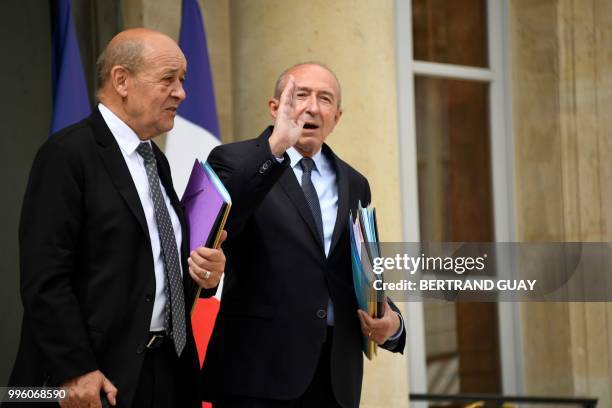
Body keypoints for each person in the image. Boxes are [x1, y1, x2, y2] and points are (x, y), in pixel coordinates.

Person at [7, 28, 226, 408]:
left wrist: (205, 275)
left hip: (168, 372)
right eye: (167, 79)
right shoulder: (67, 155)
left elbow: (152, 266)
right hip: (98, 376)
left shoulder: (154, 157)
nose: (181, 92)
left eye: (183, 80)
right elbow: (45, 278)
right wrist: (75, 368)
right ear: (121, 80)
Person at [200, 62, 406, 408]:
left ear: (336, 117)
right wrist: (275, 148)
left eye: (325, 99)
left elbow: (361, 270)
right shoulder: (233, 161)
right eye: (301, 95)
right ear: (275, 107)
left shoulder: (355, 183)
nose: (312, 107)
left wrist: (393, 323)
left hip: (334, 378)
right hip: (257, 375)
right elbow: (218, 229)